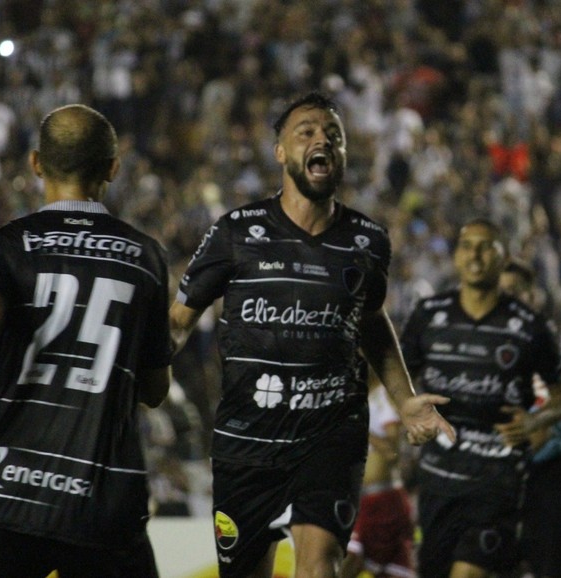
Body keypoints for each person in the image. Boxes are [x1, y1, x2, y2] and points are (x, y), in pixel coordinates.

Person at [168, 92, 454, 578]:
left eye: (333, 136)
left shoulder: (368, 241)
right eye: (307, 132)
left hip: (330, 432)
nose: (322, 139)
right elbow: (177, 322)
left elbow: (370, 320)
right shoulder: (236, 231)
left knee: (320, 566)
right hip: (247, 437)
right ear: (280, 152)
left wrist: (404, 399)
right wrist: (136, 373)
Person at [0, 104, 173, 578]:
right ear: (113, 169)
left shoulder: (1, 246)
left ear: (36, 163)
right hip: (103, 502)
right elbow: (154, 390)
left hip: (8, 491)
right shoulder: (147, 256)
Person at [400, 218, 561, 578]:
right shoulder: (429, 316)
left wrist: (536, 420)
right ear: (456, 257)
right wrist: (409, 410)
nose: (475, 255)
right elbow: (397, 373)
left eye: (486, 246)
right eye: (467, 246)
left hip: (496, 485)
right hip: (437, 483)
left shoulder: (530, 326)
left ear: (503, 256)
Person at [499, 259, 561, 578]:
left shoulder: (540, 343)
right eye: (503, 291)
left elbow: (538, 433)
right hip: (515, 479)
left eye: (516, 291)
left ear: (532, 296)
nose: (509, 298)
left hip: (550, 477)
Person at [339, 377, 415, 578]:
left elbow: (393, 452)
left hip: (382, 500)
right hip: (357, 500)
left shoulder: (385, 394)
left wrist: (359, 426)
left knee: (346, 564)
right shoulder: (349, 391)